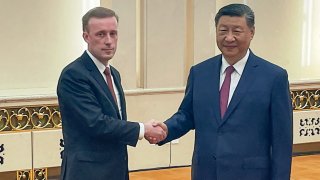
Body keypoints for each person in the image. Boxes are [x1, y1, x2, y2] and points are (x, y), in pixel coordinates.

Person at [156, 3, 293, 180]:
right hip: (206, 173)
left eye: (236, 31)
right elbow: (187, 115)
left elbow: (282, 141)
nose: (229, 38)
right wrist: (165, 129)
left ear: (252, 32)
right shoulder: (200, 72)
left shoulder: (274, 77)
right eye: (223, 31)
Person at [57, 7, 166, 180]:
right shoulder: (73, 75)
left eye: (113, 33)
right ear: (86, 37)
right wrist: (142, 129)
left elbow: (115, 122)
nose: (109, 41)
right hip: (87, 173)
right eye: (101, 34)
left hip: (116, 170)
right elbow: (95, 123)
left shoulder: (113, 73)